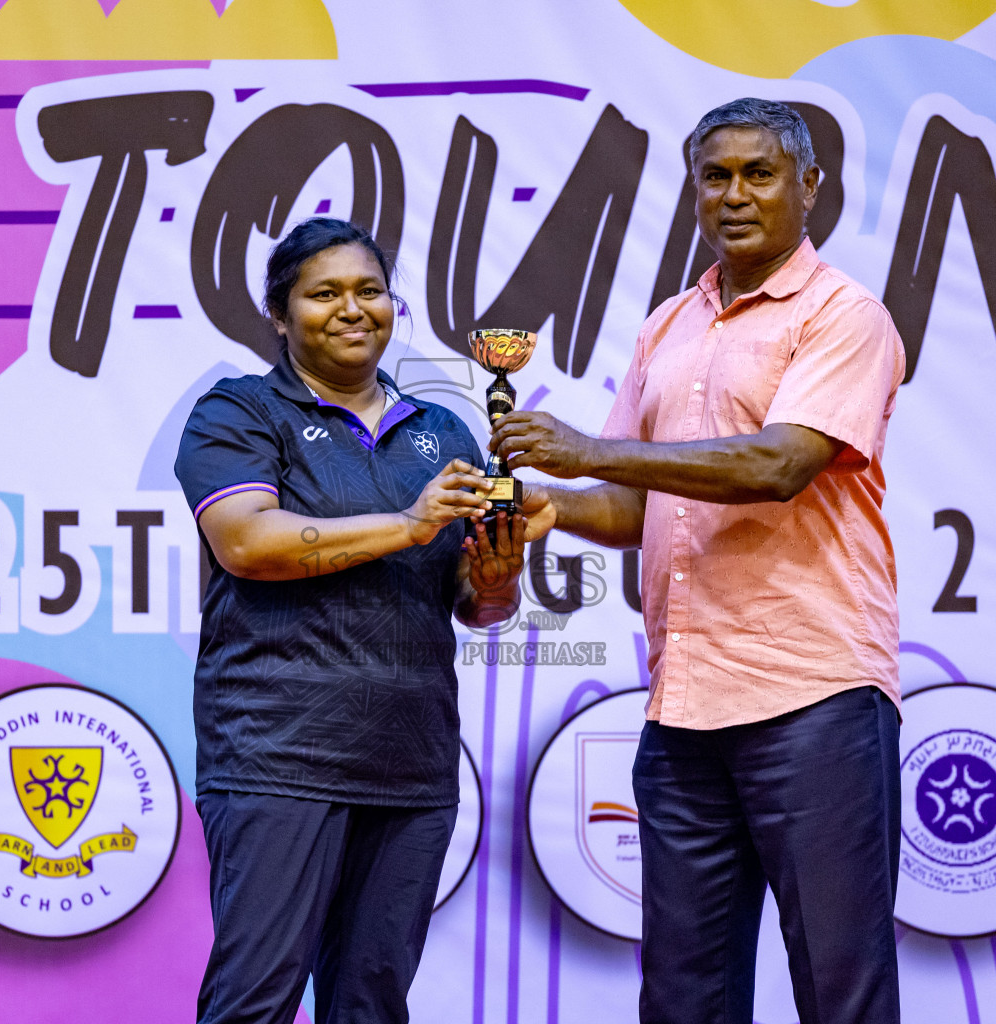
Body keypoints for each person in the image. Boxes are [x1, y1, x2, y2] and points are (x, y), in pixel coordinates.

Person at [491, 99, 906, 1024]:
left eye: (759, 173)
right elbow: (635, 507)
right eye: (714, 177)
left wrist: (588, 453)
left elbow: (778, 464)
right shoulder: (669, 325)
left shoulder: (846, 316)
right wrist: (540, 503)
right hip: (682, 708)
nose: (735, 194)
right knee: (683, 998)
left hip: (814, 699)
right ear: (692, 195)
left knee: (841, 990)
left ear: (810, 186)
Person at [173, 217, 526, 1024]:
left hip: (411, 764)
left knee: (371, 1004)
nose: (351, 308)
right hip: (277, 756)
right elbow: (248, 543)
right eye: (323, 293)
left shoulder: (445, 433)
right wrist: (408, 522)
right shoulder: (239, 411)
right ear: (279, 312)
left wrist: (498, 579)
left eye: (369, 291)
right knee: (253, 1002)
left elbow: (475, 604)